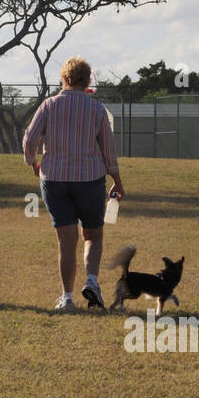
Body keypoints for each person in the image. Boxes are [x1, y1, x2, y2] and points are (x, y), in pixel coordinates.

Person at [22, 57, 124, 310]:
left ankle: (67, 297)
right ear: (88, 80)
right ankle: (91, 280)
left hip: (55, 180)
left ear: (64, 78)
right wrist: (117, 181)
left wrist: (33, 163)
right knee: (93, 235)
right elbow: (109, 150)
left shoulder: (48, 106)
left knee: (66, 242)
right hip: (90, 180)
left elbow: (29, 140)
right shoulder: (97, 110)